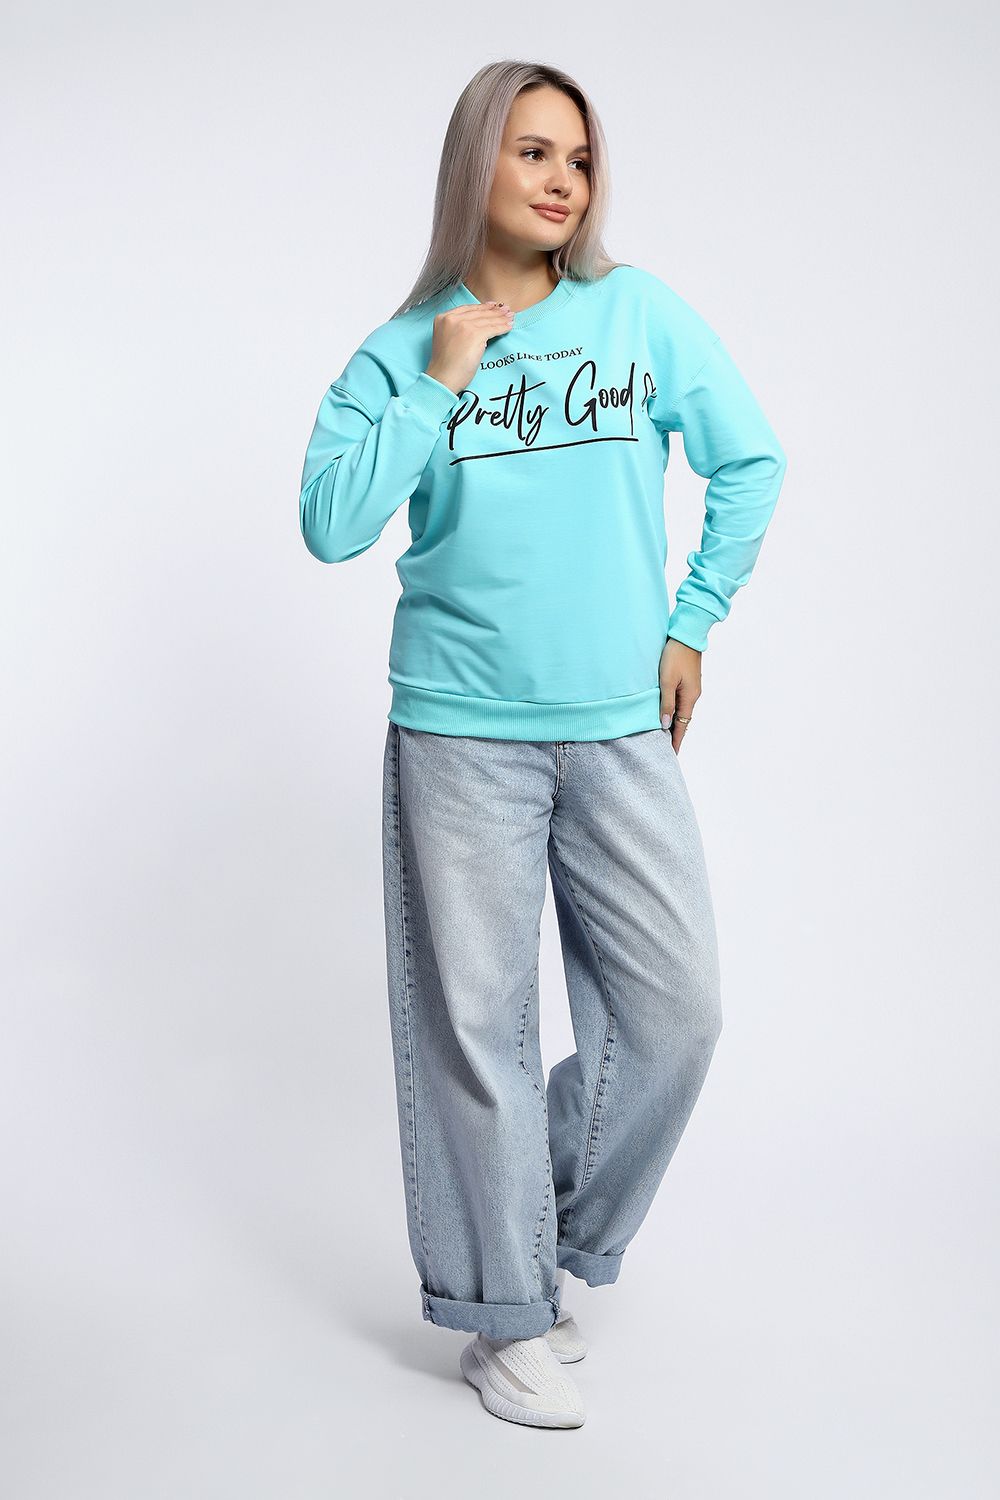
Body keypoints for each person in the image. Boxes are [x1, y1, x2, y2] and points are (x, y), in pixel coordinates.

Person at [298, 59, 787, 1430]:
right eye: (532, 151)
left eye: (578, 156)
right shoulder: (401, 348)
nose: (563, 178)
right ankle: (505, 1313)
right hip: (458, 733)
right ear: (477, 164)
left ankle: (521, 1242)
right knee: (479, 1033)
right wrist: (437, 384)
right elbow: (331, 524)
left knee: (678, 1014)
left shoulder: (638, 313)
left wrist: (692, 622)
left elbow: (751, 459)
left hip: (620, 726)